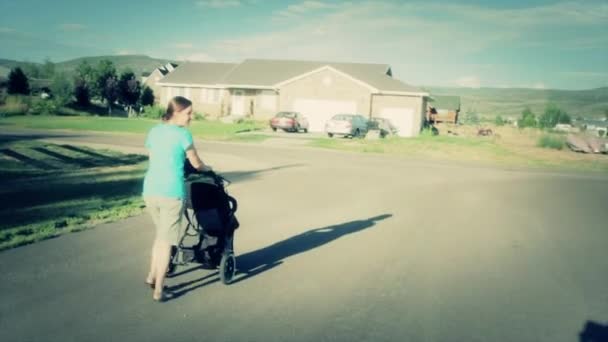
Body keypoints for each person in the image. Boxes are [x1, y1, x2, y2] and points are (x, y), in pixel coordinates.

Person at [142, 96, 209, 302]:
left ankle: (152, 276)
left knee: (160, 236)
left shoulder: (154, 131)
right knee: (166, 241)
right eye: (188, 113)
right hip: (171, 193)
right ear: (176, 112)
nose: (191, 117)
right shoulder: (183, 135)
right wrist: (208, 169)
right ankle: (159, 290)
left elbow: (153, 158)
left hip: (150, 190)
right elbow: (196, 163)